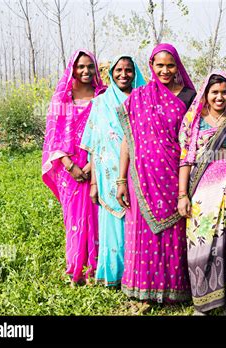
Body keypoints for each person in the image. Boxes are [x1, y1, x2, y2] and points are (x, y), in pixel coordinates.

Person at [115, 43, 196, 303]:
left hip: (175, 176)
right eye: (159, 65)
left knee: (175, 234)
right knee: (144, 234)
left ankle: (174, 291)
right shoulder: (139, 97)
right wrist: (121, 180)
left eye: (170, 65)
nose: (165, 70)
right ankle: (144, 292)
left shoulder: (189, 97)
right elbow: (128, 140)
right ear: (151, 66)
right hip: (142, 177)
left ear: (178, 66)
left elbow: (194, 139)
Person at [178, 71, 226, 316]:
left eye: (224, 92)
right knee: (198, 241)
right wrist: (182, 194)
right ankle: (202, 303)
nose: (220, 97)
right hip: (201, 189)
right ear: (206, 94)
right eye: (215, 92)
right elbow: (186, 159)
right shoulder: (194, 120)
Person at [80, 55, 146, 287]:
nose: (124, 74)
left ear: (135, 72)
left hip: (139, 172)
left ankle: (135, 273)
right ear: (111, 72)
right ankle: (114, 274)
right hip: (108, 174)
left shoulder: (144, 98)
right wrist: (94, 184)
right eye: (119, 70)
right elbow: (95, 146)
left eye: (129, 70)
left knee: (136, 222)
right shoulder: (101, 103)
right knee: (113, 227)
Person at [42, 49, 106, 286]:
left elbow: (108, 132)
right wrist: (70, 166)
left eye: (90, 66)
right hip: (69, 169)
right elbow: (53, 136)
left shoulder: (103, 96)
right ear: (73, 68)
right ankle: (76, 268)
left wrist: (92, 164)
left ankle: (97, 267)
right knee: (74, 218)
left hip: (98, 164)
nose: (86, 71)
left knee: (98, 215)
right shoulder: (62, 98)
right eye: (81, 67)